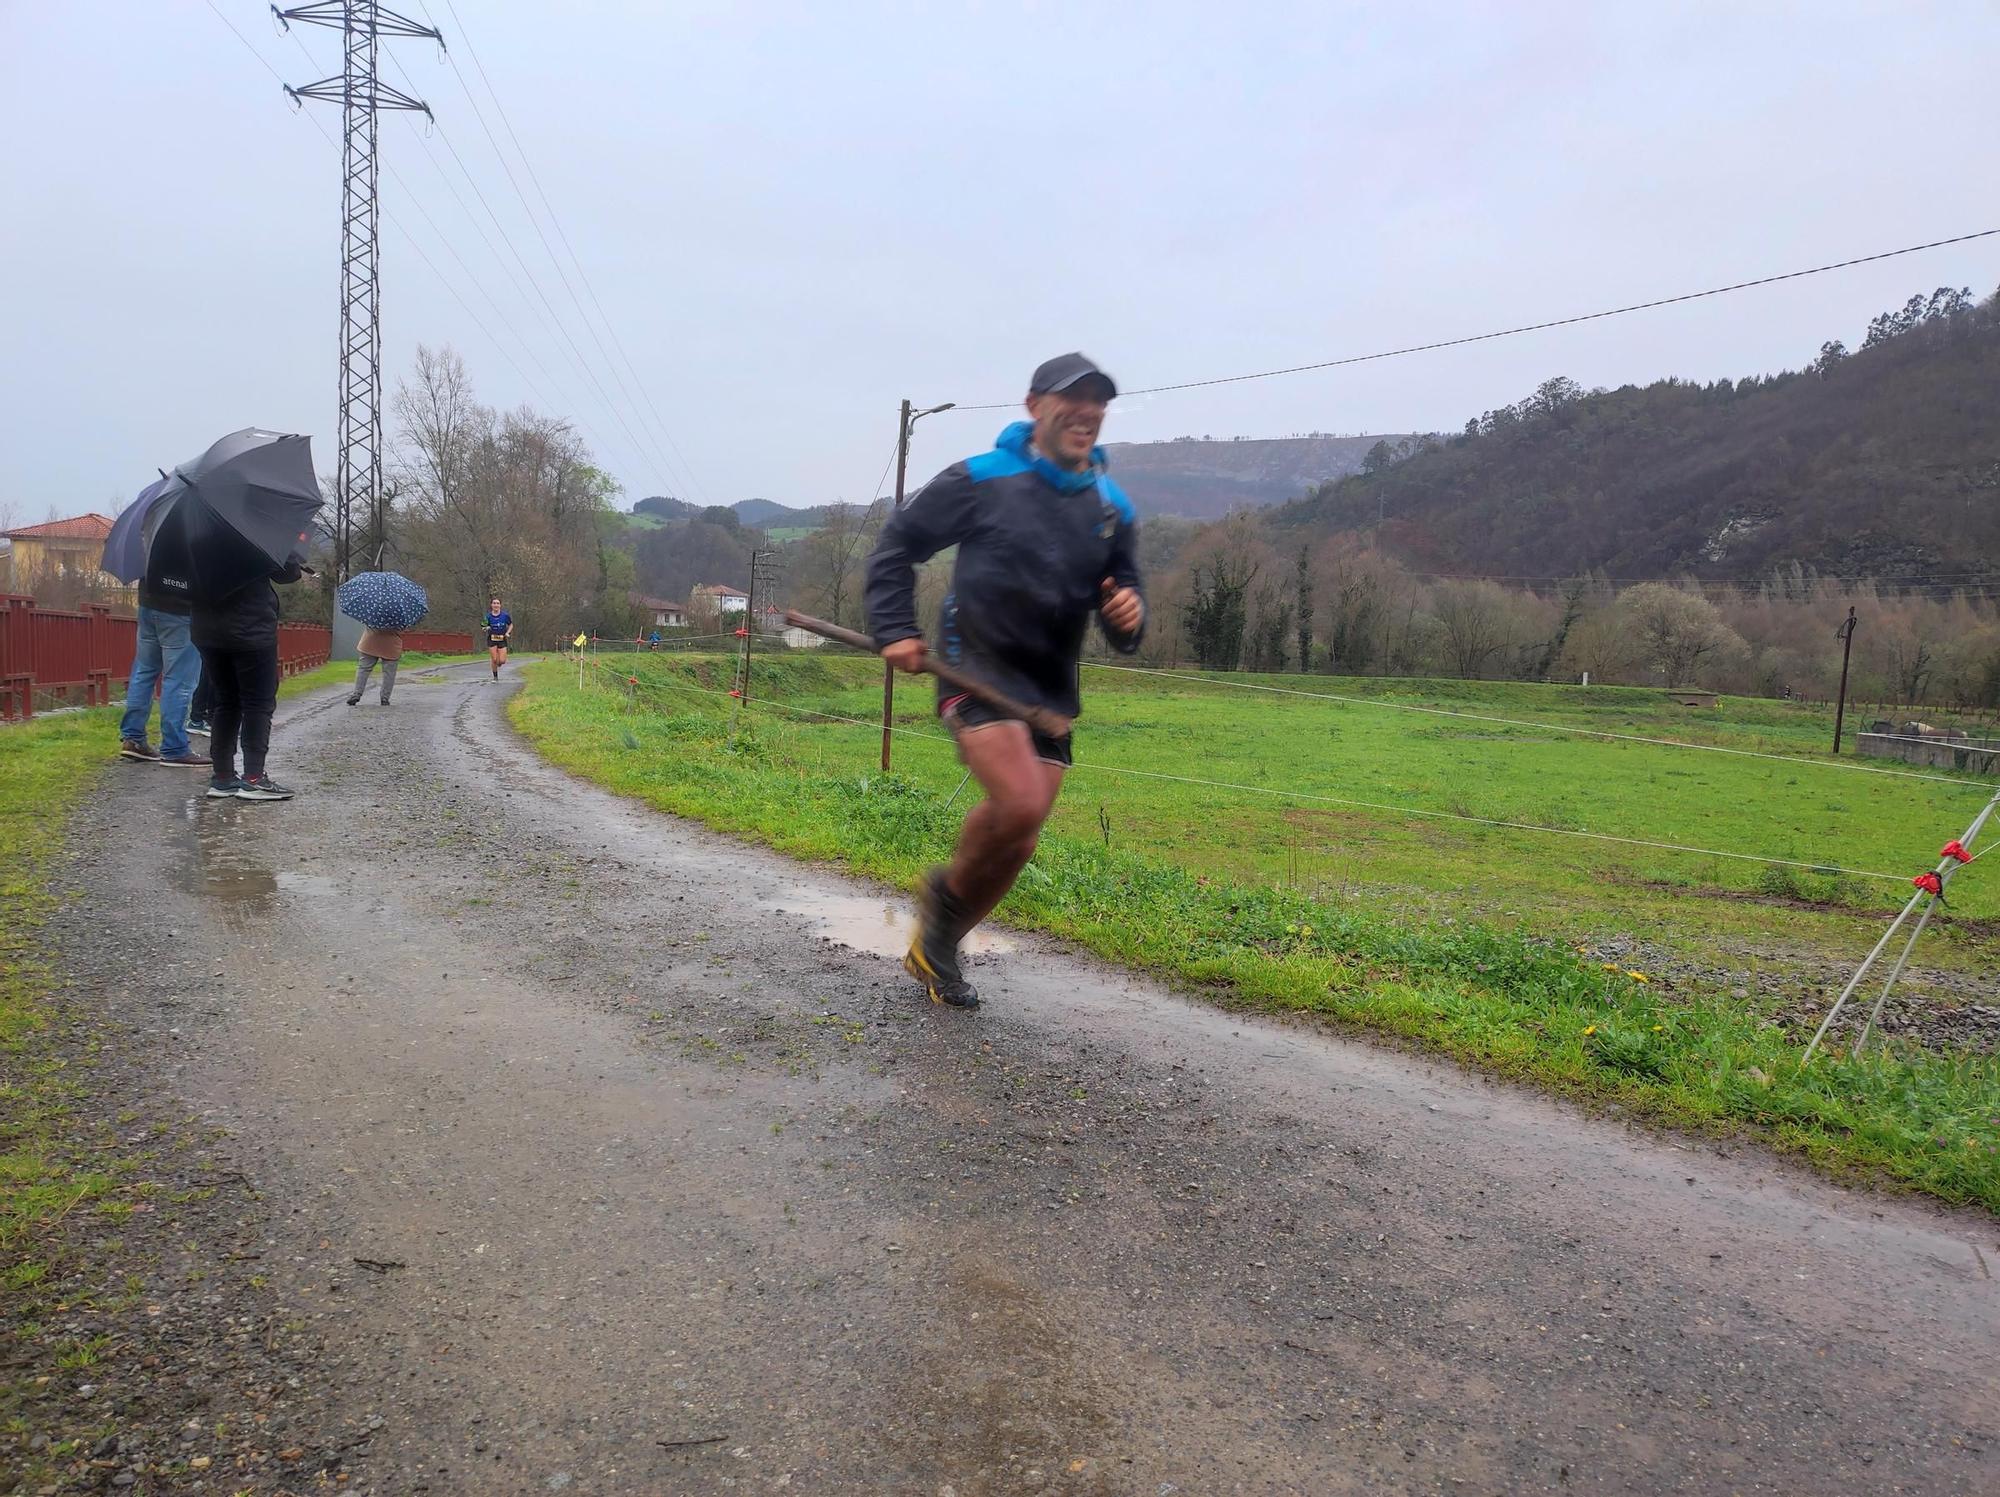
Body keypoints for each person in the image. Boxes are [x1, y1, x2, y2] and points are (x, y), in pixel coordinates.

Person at [864, 352, 1145, 1009]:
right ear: (1034, 406)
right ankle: (942, 911)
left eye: (1098, 400)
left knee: (1022, 831)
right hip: (974, 668)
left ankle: (940, 939)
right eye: (1072, 398)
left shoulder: (1112, 507)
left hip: (1049, 692)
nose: (1088, 411)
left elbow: (1124, 604)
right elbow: (897, 546)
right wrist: (893, 628)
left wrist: (1127, 612)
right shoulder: (981, 478)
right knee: (1019, 801)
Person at [193, 556, 307, 801]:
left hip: (207, 628)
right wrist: (295, 556)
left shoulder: (195, 532)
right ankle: (254, 778)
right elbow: (287, 573)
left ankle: (222, 777)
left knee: (225, 701)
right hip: (251, 626)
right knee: (258, 703)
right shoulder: (256, 531)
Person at [118, 556, 210, 769]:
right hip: (182, 609)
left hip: (148, 601)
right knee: (179, 680)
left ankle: (133, 738)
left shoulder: (153, 524)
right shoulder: (199, 527)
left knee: (144, 671)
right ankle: (174, 747)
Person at [347, 626, 404, 706]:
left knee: (363, 669)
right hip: (390, 644)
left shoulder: (371, 614)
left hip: (370, 642)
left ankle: (356, 694)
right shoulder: (399, 616)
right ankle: (385, 698)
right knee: (389, 673)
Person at [482, 596, 513, 680]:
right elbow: (483, 627)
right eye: (494, 603)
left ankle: (498, 663)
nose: (496, 605)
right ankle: (495, 677)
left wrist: (507, 632)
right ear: (491, 605)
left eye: (498, 603)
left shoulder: (505, 615)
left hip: (502, 639)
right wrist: (486, 628)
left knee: (502, 661)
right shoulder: (487, 616)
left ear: (500, 605)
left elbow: (511, 625)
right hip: (492, 639)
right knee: (494, 659)